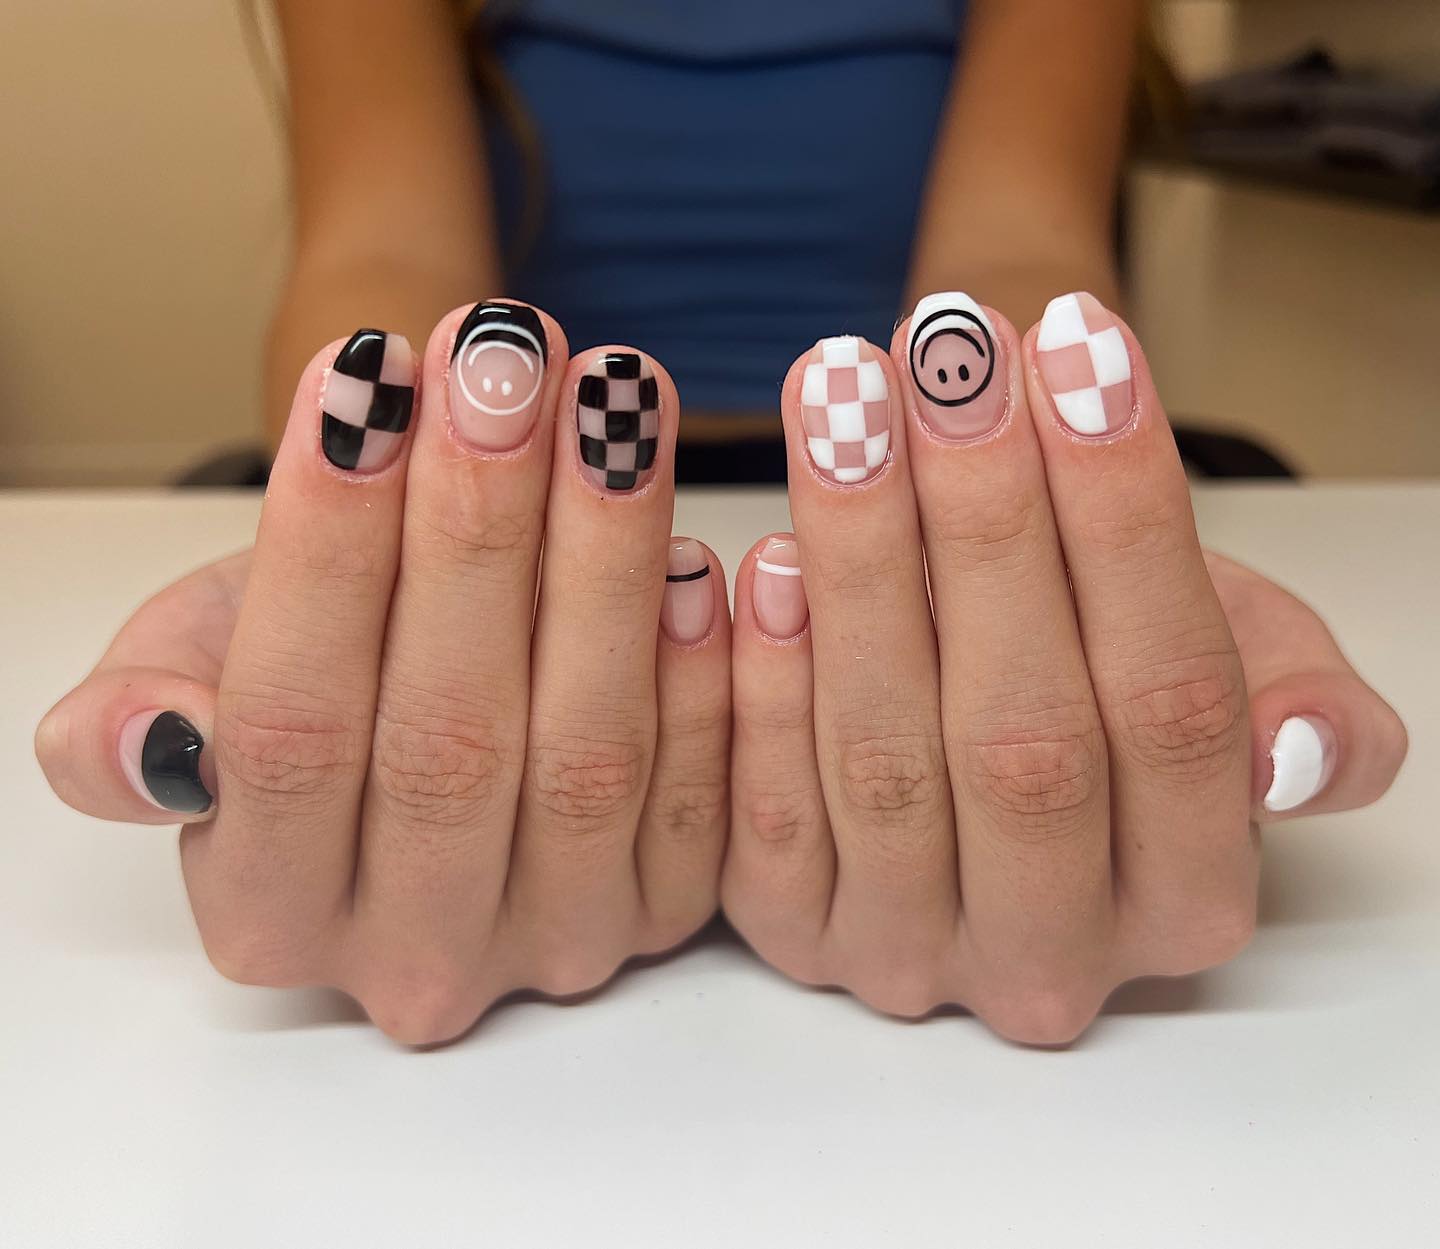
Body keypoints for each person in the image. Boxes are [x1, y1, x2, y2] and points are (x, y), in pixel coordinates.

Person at [35, 0, 1406, 1046]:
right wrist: (396, 529)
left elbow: (1018, 254)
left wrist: (997, 526)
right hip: (533, 508)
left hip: (904, 502)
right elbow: (378, 251)